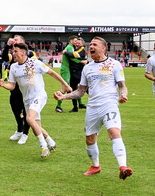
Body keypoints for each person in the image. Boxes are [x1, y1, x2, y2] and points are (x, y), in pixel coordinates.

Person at [54, 37, 132, 179]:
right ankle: (95, 166)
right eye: (90, 45)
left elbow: (122, 86)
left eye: (95, 44)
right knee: (90, 139)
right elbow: (81, 91)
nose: (91, 47)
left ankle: (123, 166)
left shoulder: (114, 64)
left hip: (109, 104)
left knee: (114, 131)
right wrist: (64, 97)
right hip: (93, 107)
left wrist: (124, 95)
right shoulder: (87, 68)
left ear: (103, 48)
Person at [0, 42, 70, 158]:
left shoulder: (35, 63)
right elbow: (12, 86)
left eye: (15, 51)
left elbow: (51, 73)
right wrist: (3, 85)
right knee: (35, 125)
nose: (13, 53)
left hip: (39, 96)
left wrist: (65, 84)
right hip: (27, 99)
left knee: (29, 119)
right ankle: (51, 142)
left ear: (23, 52)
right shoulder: (13, 67)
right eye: (13, 51)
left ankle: (43, 147)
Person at [3, 35, 33, 144]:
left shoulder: (29, 54)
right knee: (15, 109)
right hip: (15, 89)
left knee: (26, 112)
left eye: (16, 39)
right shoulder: (13, 55)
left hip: (26, 89)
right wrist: (7, 46)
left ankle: (25, 133)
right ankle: (19, 130)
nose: (14, 41)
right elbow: (5, 58)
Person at [56, 35, 86, 113]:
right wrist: (82, 61)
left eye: (77, 41)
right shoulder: (70, 48)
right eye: (75, 41)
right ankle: (58, 106)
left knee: (75, 88)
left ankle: (80, 104)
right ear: (71, 41)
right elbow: (73, 58)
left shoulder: (69, 47)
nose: (76, 43)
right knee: (65, 87)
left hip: (67, 69)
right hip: (66, 70)